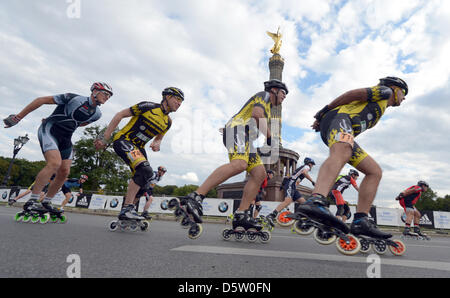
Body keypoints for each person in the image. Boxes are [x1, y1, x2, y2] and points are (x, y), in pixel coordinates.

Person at [300, 76, 408, 239]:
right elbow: (352, 94)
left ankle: (361, 219)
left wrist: (323, 119)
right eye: (404, 93)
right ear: (396, 88)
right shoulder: (385, 91)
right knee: (343, 151)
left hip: (343, 128)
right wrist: (323, 112)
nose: (404, 98)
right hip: (340, 120)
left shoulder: (382, 105)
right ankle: (316, 200)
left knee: (374, 171)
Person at [181, 79, 288, 229]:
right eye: (283, 93)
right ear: (274, 90)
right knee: (239, 164)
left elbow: (246, 114)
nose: (284, 97)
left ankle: (241, 214)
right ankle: (196, 196)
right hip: (238, 131)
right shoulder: (264, 95)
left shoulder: (268, 108)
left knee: (260, 174)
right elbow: (256, 114)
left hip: (245, 138)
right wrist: (270, 137)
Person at [3, 82, 112, 214]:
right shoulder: (74, 98)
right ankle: (32, 201)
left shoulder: (97, 114)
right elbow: (41, 100)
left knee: (65, 171)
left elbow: (80, 123)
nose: (107, 97)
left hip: (66, 138)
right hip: (50, 130)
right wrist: (18, 117)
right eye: (105, 93)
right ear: (95, 91)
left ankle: (46, 201)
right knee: (54, 163)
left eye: (109, 96)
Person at [95, 87, 183, 221]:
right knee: (144, 169)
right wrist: (105, 137)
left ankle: (128, 213)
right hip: (124, 140)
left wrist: (157, 143)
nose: (179, 103)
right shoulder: (147, 106)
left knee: (147, 178)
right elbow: (119, 115)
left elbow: (159, 137)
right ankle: (127, 208)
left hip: (139, 147)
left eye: (181, 101)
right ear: (167, 97)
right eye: (177, 99)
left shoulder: (168, 122)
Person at [267, 158, 316, 224]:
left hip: (293, 187)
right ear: (309, 163)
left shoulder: (301, 168)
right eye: (312, 164)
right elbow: (304, 172)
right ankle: (272, 215)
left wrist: (284, 184)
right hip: (291, 185)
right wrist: (312, 181)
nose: (312, 166)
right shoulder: (307, 167)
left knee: (304, 202)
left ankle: (301, 217)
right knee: (287, 201)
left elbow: (290, 177)